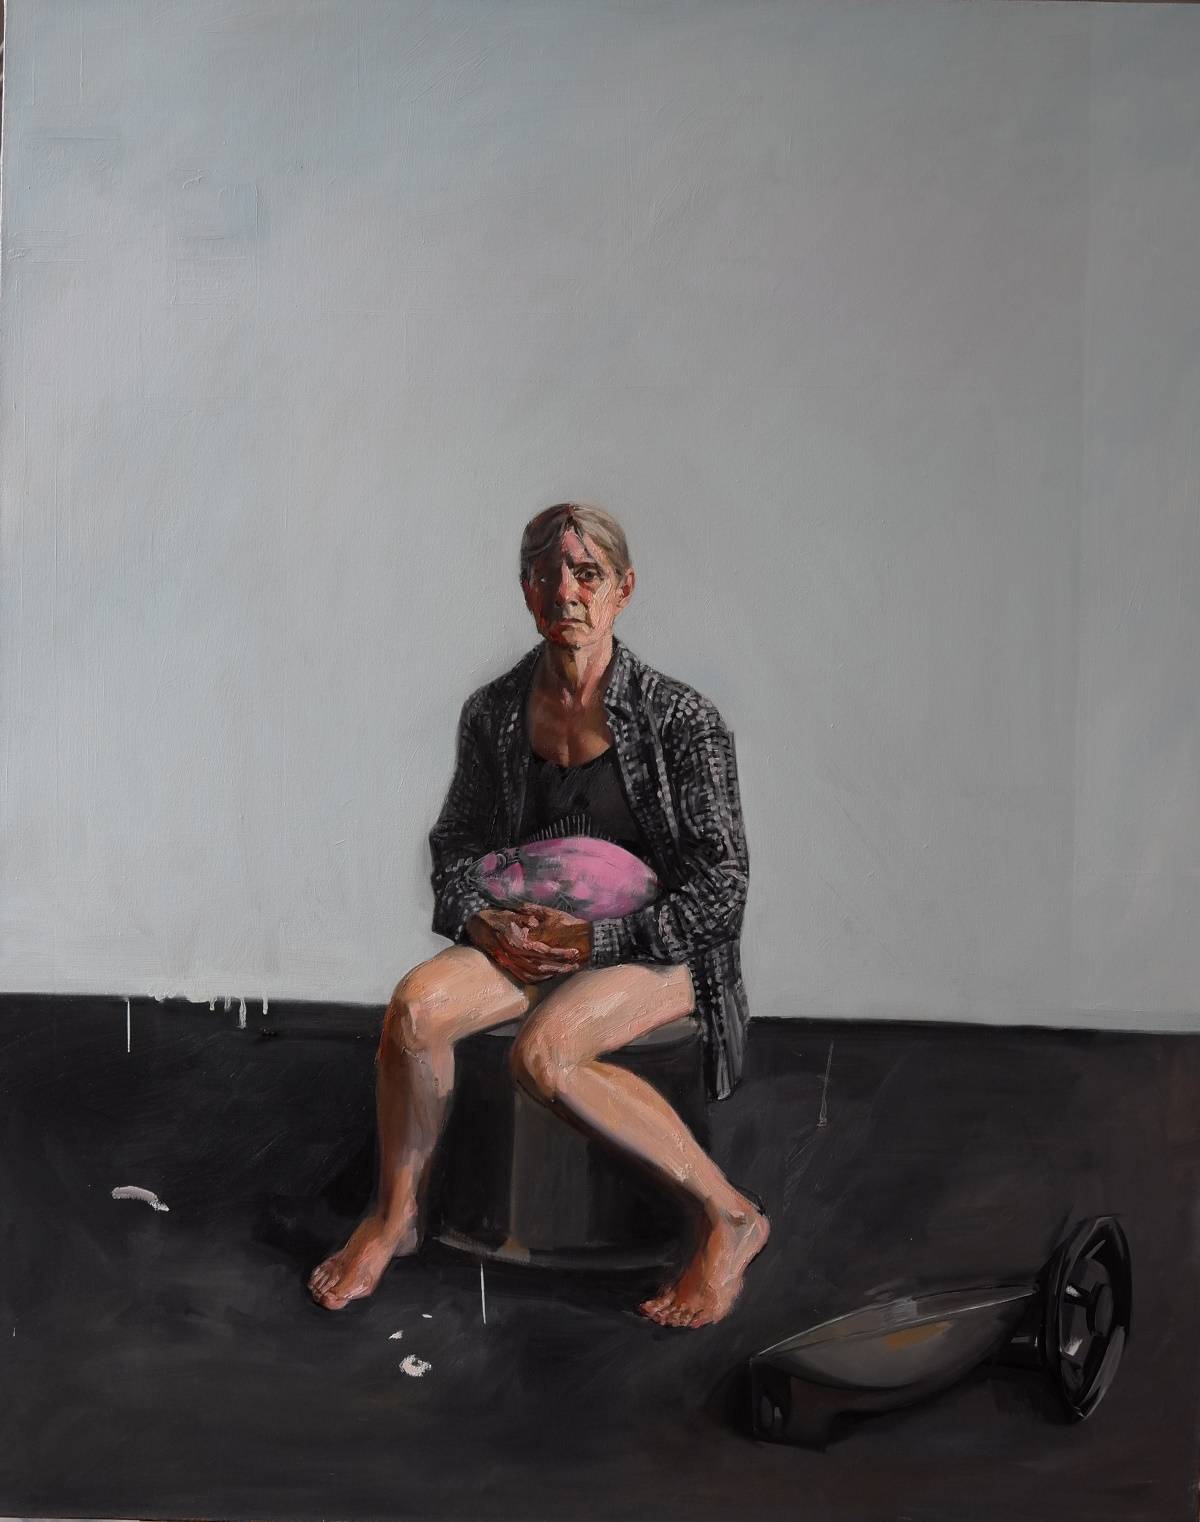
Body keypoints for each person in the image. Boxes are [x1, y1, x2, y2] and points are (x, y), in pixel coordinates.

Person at [308, 504, 768, 1328]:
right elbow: (455, 850)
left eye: (587, 574)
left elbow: (722, 887)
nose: (567, 593)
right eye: (548, 575)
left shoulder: (682, 721)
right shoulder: (494, 712)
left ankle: (730, 1216)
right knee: (413, 1012)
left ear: (623, 590)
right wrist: (482, 923)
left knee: (544, 1053)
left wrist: (601, 938)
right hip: (531, 942)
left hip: (656, 950)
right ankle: (396, 1217)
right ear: (526, 591)